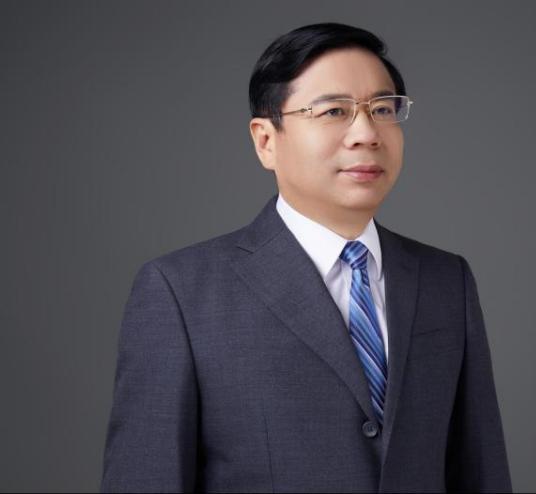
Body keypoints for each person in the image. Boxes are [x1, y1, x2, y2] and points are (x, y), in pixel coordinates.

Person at [101, 22, 512, 493]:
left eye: (382, 109)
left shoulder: (445, 279)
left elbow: (480, 472)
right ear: (266, 141)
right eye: (334, 110)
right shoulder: (181, 293)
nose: (366, 133)